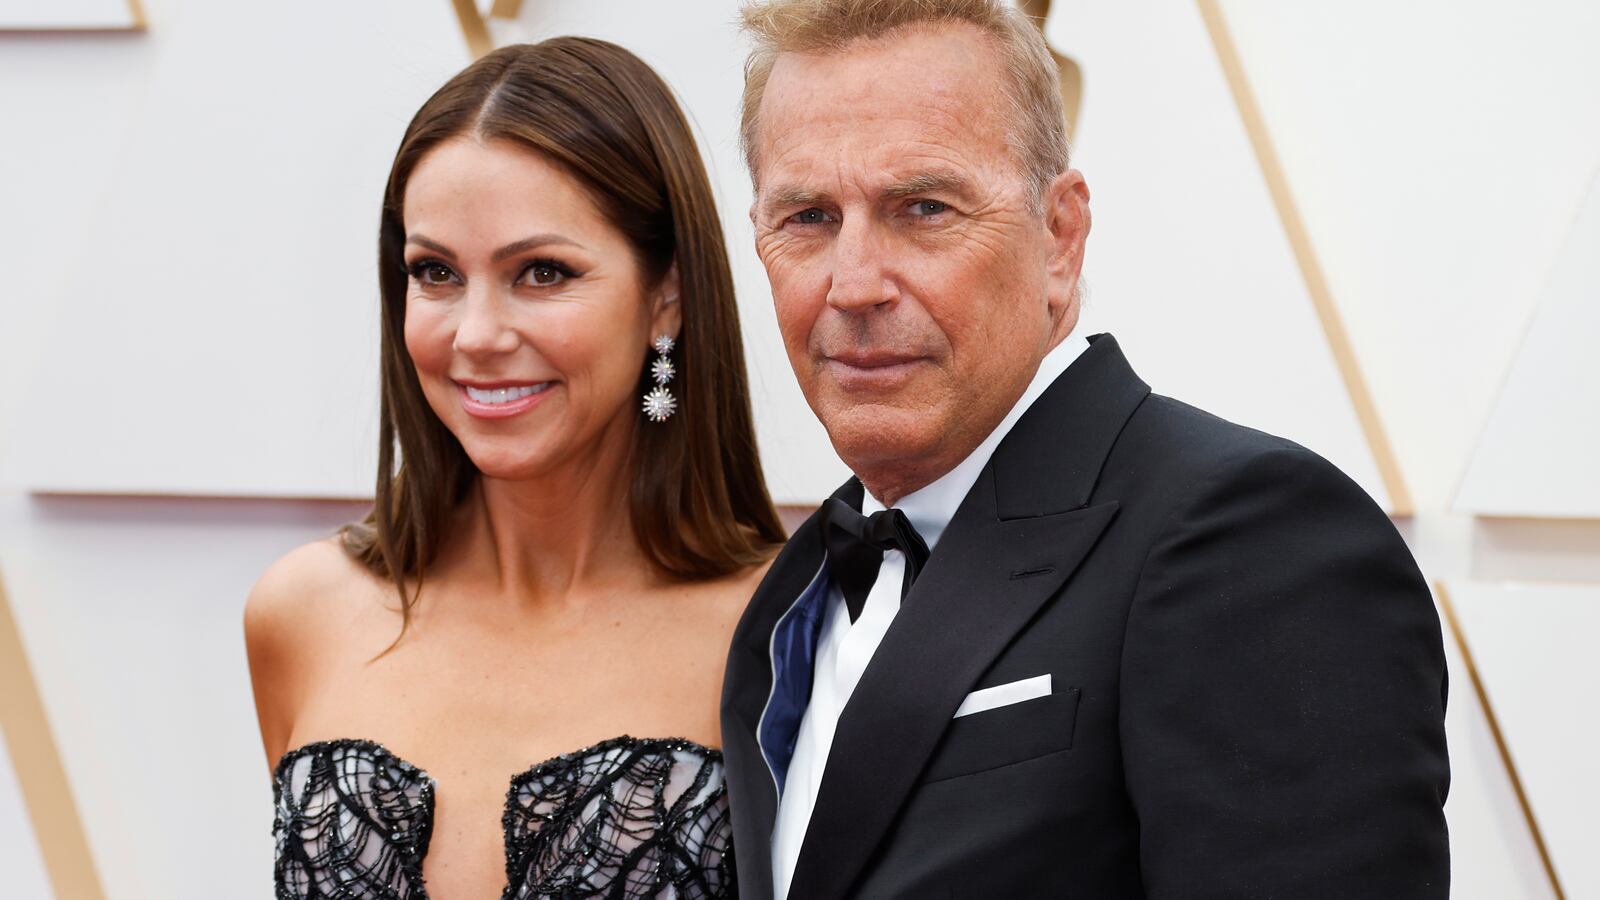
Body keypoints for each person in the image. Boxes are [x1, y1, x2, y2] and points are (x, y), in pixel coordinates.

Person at [720, 1, 1452, 897]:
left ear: (1060, 237)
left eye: (924, 208)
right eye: (807, 217)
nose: (855, 284)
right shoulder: (794, 590)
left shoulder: (1251, 541)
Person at [245, 38, 784, 898]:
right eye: (435, 272)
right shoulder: (304, 613)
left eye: (541, 272)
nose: (476, 335)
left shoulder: (784, 631)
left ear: (667, 298)